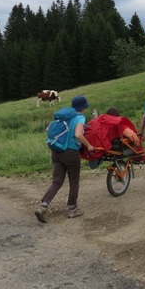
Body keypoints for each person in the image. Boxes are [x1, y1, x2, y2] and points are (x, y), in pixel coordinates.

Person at [35, 95, 94, 223]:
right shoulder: (80, 117)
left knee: (57, 181)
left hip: (56, 151)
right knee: (74, 181)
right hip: (71, 152)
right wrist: (88, 145)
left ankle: (43, 206)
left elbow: (47, 129)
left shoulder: (63, 116)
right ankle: (73, 209)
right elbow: (78, 134)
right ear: (83, 108)